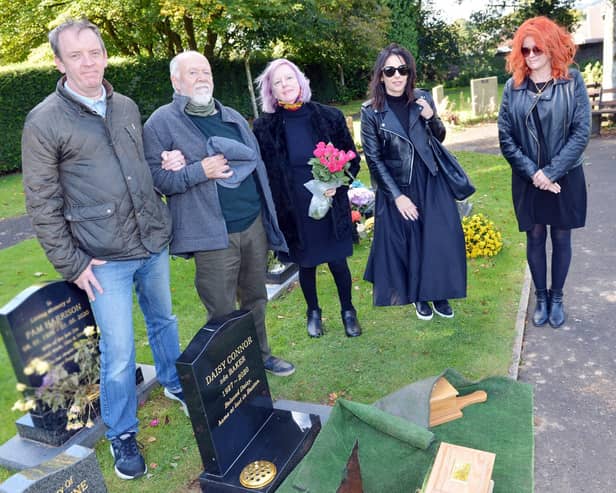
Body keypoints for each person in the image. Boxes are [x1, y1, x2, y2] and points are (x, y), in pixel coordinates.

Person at [21, 19, 186, 481]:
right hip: (102, 258)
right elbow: (41, 202)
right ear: (59, 62)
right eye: (76, 55)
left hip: (150, 242)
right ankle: (122, 433)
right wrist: (71, 264)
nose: (88, 62)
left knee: (165, 321)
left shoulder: (126, 106)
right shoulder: (44, 121)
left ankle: (174, 383)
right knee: (119, 349)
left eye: (94, 52)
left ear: (105, 55)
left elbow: (144, 167)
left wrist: (169, 163)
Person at [142, 51, 295, 376]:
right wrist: (199, 170)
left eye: (206, 71)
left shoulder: (233, 116)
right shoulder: (161, 123)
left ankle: (261, 355)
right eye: (192, 72)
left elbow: (255, 167)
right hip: (211, 234)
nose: (202, 77)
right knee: (222, 309)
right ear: (176, 81)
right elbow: (156, 180)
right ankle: (230, 371)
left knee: (255, 298)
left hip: (252, 224)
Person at [252, 59, 362, 338]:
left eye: (288, 79)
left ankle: (348, 311)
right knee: (307, 263)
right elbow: (262, 172)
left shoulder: (329, 117)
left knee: (338, 261)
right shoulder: (265, 128)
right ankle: (313, 312)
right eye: (277, 82)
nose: (284, 85)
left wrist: (338, 184)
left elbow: (352, 159)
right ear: (271, 92)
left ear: (300, 81)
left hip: (329, 201)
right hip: (295, 208)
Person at [360, 43, 466, 319]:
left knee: (440, 236)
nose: (397, 76)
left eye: (403, 70)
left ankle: (439, 294)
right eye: (390, 70)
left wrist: (432, 119)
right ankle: (419, 295)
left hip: (430, 177)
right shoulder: (370, 112)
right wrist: (397, 196)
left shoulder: (422, 98)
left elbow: (439, 137)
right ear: (381, 75)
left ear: (410, 73)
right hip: (399, 183)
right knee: (412, 239)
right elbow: (374, 159)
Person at [498, 16, 590, 329]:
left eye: (537, 48)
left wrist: (550, 173)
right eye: (525, 51)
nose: (532, 55)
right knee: (535, 237)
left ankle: (558, 296)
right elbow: (506, 137)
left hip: (565, 176)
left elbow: (581, 133)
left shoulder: (572, 81)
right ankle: (541, 296)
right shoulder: (513, 87)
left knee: (562, 237)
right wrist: (534, 173)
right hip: (528, 178)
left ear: (551, 47)